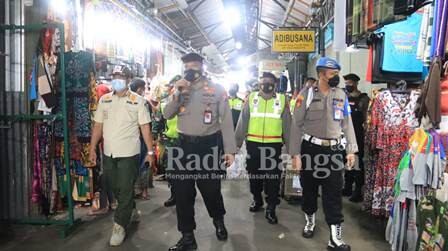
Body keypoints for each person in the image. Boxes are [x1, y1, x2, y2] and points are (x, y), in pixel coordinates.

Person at [163, 52, 237, 251]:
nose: (190, 71)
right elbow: (167, 113)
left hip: (208, 146)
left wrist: (230, 150)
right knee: (182, 193)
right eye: (187, 67)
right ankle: (187, 236)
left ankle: (218, 221)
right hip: (183, 147)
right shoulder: (178, 88)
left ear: (202, 67)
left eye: (194, 67)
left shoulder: (217, 90)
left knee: (211, 189)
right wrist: (177, 94)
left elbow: (227, 121)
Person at [289, 57, 358, 251]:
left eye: (337, 73)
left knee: (334, 193)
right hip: (311, 150)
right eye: (332, 73)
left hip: (334, 151)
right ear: (321, 74)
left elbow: (347, 123)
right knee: (309, 189)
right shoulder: (307, 94)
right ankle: (309, 221)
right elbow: (296, 124)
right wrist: (295, 154)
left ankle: (334, 239)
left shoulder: (341, 95)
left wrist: (351, 150)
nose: (336, 76)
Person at [89, 66, 155, 246]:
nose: (117, 79)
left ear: (128, 79)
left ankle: (119, 225)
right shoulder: (104, 100)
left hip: (129, 153)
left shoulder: (138, 101)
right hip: (109, 152)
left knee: (125, 189)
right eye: (115, 76)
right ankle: (131, 209)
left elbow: (145, 129)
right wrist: (92, 148)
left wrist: (150, 152)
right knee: (115, 186)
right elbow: (97, 126)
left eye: (121, 76)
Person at [235, 72, 291, 224]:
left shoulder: (282, 100)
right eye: (262, 82)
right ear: (258, 84)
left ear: (274, 84)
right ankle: (257, 199)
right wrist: (235, 146)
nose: (265, 85)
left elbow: (287, 125)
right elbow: (243, 122)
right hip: (253, 146)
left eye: (268, 82)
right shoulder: (251, 99)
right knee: (254, 176)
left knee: (273, 178)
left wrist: (292, 150)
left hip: (274, 147)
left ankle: (271, 207)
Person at [342, 74, 370, 202]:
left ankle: (358, 191)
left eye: (350, 83)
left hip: (358, 134)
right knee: (346, 161)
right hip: (344, 134)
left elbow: (367, 118)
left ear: (356, 83)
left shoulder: (363, 99)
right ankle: (347, 187)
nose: (348, 85)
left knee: (358, 163)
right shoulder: (344, 97)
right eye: (346, 83)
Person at [130, 78, 154, 200]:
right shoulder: (143, 102)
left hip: (132, 138)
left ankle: (137, 190)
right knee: (144, 163)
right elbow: (147, 125)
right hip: (142, 137)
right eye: (144, 89)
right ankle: (144, 191)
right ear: (140, 89)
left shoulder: (127, 101)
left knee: (134, 163)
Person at [160, 75, 182, 208]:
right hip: (169, 142)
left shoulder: (188, 102)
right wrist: (157, 137)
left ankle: (183, 195)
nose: (174, 89)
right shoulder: (164, 103)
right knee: (170, 172)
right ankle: (174, 195)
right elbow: (160, 121)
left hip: (185, 142)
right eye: (173, 86)